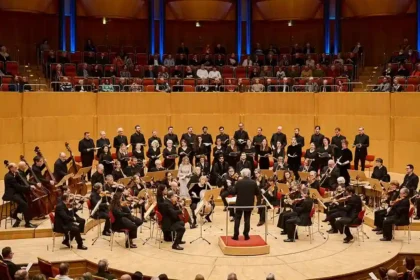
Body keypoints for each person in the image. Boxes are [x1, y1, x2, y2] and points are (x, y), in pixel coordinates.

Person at [3, 163, 36, 228]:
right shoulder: (9, 177)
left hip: (15, 192)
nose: (17, 168)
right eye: (15, 167)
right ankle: (27, 223)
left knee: (25, 202)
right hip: (11, 194)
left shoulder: (12, 174)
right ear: (11, 168)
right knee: (24, 204)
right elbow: (17, 187)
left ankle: (14, 214)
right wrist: (29, 187)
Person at [232, 168, 260, 240]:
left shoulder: (239, 182)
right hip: (249, 203)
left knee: (237, 219)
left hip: (239, 203)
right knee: (247, 219)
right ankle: (246, 235)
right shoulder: (253, 182)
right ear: (249, 174)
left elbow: (233, 192)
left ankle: (236, 235)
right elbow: (258, 193)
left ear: (242, 174)